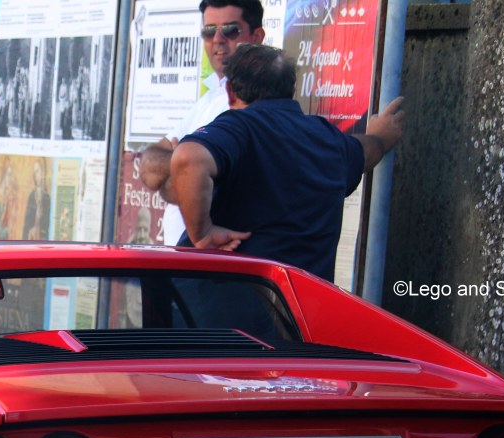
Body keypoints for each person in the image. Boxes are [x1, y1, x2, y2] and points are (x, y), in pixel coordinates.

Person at [168, 43, 405, 281]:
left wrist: (202, 234)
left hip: (227, 300)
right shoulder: (327, 137)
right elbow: (365, 153)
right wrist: (381, 137)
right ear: (292, 89)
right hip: (301, 309)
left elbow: (188, 158)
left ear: (230, 91)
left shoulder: (239, 127)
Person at [138, 0, 266, 245]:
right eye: (209, 31)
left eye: (230, 30)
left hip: (213, 263)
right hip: (181, 261)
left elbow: (214, 191)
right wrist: (186, 168)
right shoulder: (209, 98)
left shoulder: (255, 102)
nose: (217, 39)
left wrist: (180, 165)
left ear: (256, 36)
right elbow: (149, 168)